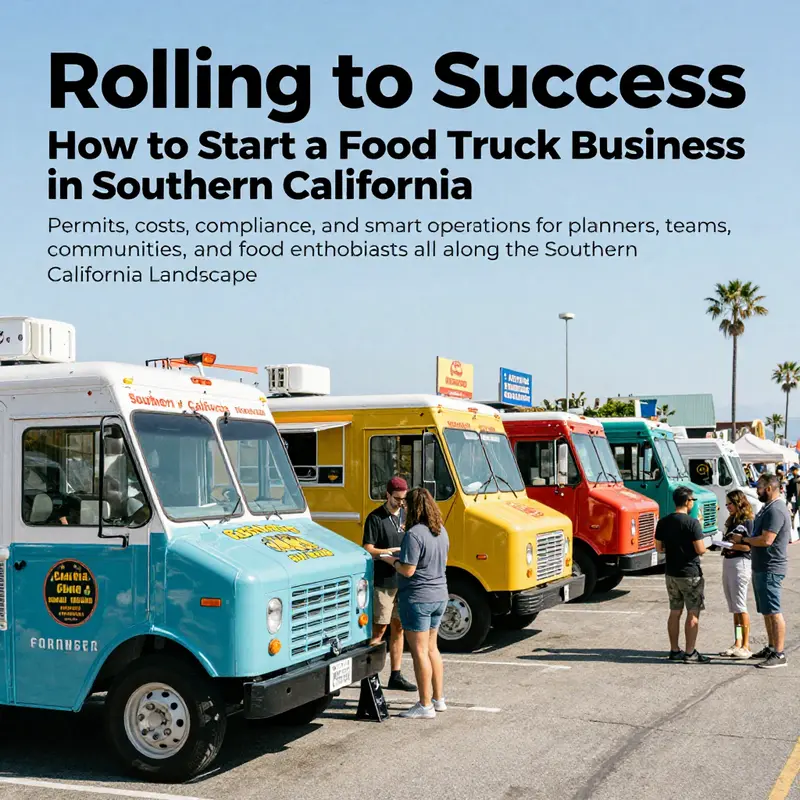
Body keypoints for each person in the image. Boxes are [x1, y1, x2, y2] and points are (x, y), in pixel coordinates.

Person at [383, 487, 450, 719]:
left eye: (406, 506)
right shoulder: (441, 531)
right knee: (432, 648)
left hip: (418, 598)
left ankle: (424, 705)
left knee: (419, 651)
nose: (404, 509)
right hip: (440, 594)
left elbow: (408, 570)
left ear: (414, 508)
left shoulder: (414, 534)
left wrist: (392, 561)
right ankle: (438, 699)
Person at [731, 473, 792, 668]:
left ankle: (779, 653)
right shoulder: (767, 508)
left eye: (758, 487)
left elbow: (767, 540)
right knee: (766, 611)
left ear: (768, 488)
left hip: (770, 567)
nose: (756, 490)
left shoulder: (776, 510)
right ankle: (772, 646)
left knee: (773, 611)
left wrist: (744, 540)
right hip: (760, 566)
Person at [362, 476, 416, 692]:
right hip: (383, 581)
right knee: (379, 628)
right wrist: (389, 552)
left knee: (399, 627)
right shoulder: (375, 518)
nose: (400, 503)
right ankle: (370, 677)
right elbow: (367, 548)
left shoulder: (405, 515)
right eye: (397, 499)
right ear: (387, 495)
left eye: (403, 499)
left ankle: (396, 674)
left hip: (402, 580)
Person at [655, 486, 710, 663]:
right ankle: (690, 652)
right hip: (690, 573)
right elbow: (700, 549)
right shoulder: (692, 523)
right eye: (692, 500)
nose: (693, 503)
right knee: (693, 612)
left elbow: (659, 548)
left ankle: (674, 649)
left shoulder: (663, 522)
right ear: (687, 501)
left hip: (671, 572)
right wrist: (706, 548)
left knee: (674, 611)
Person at [718, 490, 754, 658]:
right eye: (726, 504)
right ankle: (737, 641)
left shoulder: (747, 522)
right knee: (734, 608)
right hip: (729, 562)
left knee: (740, 606)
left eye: (730, 504)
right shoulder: (732, 520)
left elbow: (748, 547)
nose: (728, 507)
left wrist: (730, 546)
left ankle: (746, 645)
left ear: (739, 503)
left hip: (741, 563)